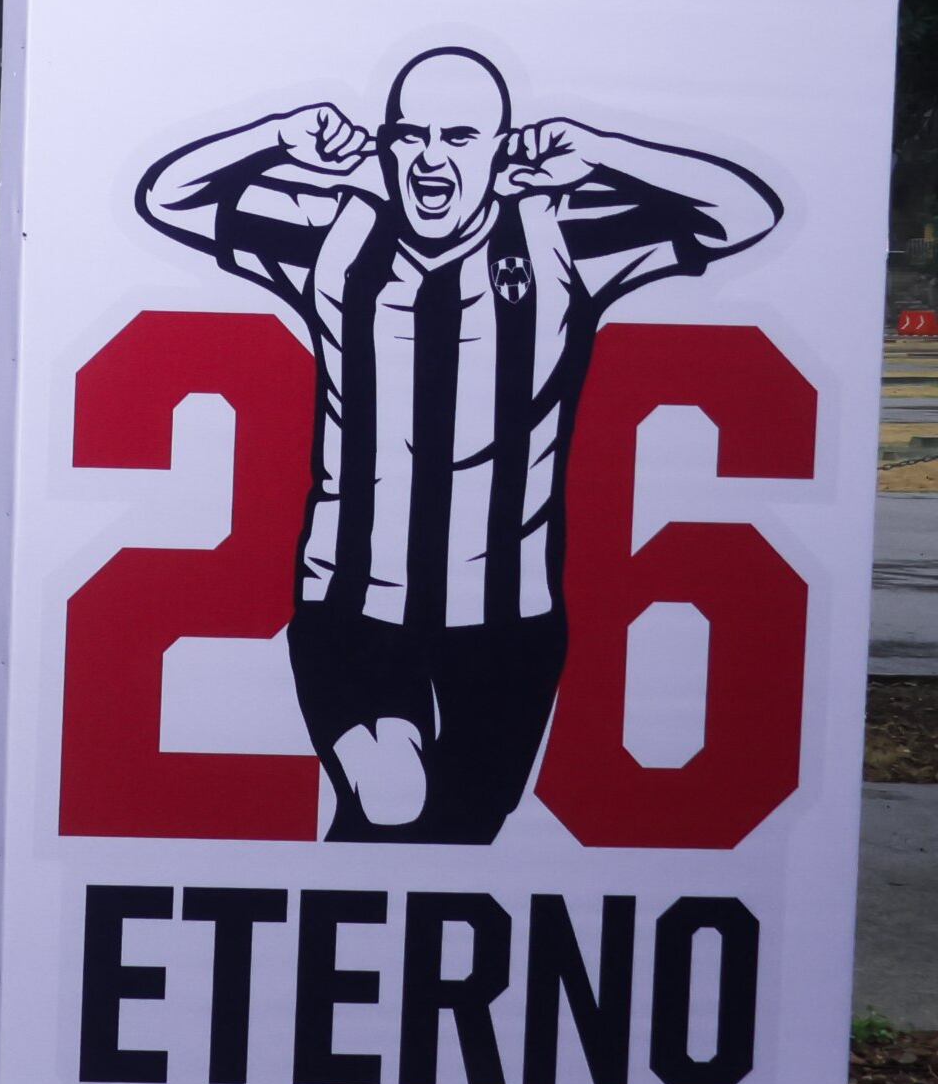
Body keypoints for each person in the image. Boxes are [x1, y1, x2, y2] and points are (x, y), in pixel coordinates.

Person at [138, 47, 778, 843]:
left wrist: (605, 152)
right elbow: (167, 198)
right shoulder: (334, 234)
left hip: (511, 617)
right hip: (356, 604)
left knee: (460, 830)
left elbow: (746, 212)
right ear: (386, 144)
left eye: (460, 137)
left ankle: (365, 951)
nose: (431, 158)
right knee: (392, 794)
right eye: (411, 135)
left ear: (502, 148)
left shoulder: (558, 240)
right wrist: (277, 137)